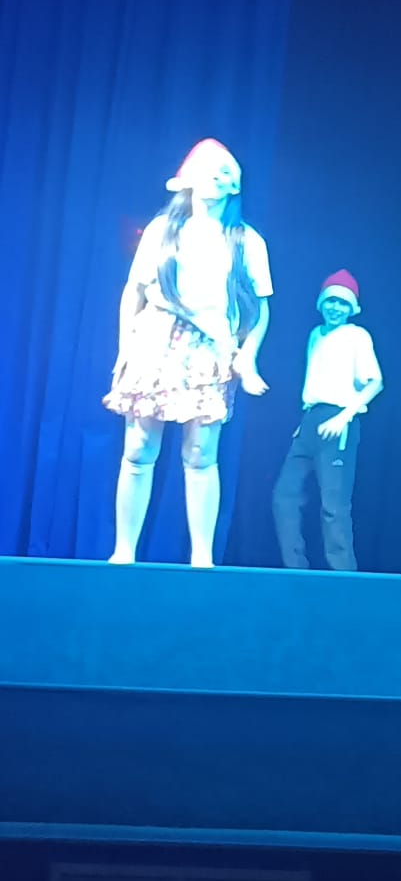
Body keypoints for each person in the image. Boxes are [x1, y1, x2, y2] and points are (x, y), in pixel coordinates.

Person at [104, 138, 273, 567]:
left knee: (200, 454)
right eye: (207, 170)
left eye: (224, 173)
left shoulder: (246, 240)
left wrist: (247, 354)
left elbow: (260, 307)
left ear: (235, 185)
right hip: (157, 338)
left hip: (211, 347)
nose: (214, 179)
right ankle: (124, 551)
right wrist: (125, 348)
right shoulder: (163, 230)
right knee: (139, 448)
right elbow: (134, 291)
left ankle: (202, 557)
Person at [272, 270, 383, 571]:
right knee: (284, 496)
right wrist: (305, 419)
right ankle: (295, 569)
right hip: (311, 420)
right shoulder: (315, 335)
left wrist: (344, 417)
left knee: (333, 505)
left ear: (352, 308)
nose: (336, 308)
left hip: (340, 420)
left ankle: (343, 576)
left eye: (343, 303)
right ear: (321, 303)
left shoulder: (356, 335)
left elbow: (375, 382)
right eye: (331, 301)